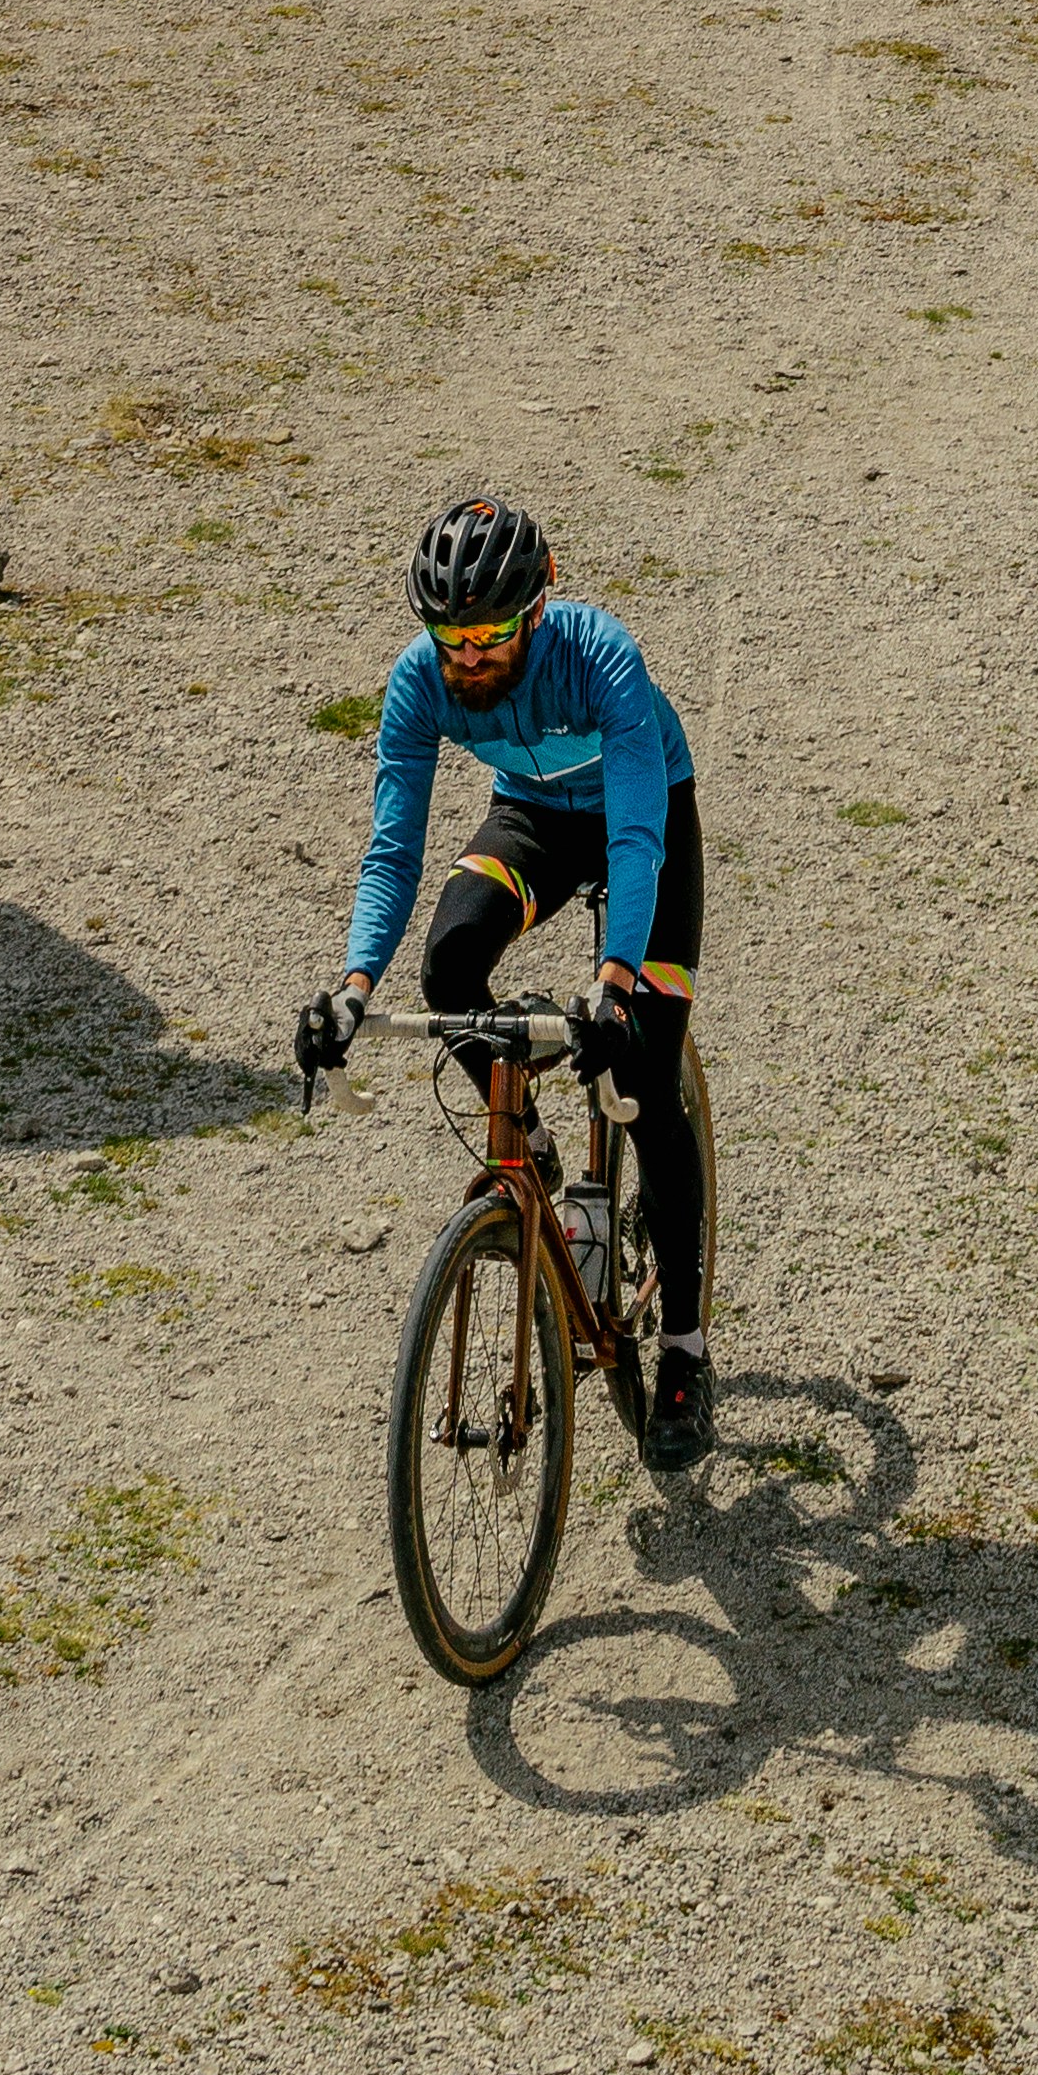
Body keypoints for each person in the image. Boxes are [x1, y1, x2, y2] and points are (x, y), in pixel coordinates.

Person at [295, 496, 715, 1475]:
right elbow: (393, 851)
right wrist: (353, 984)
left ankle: (689, 1348)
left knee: (647, 1069)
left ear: (536, 611)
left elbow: (639, 833)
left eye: (486, 636)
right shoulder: (418, 683)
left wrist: (616, 985)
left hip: (641, 814)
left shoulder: (601, 653)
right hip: (531, 815)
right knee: (449, 967)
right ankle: (529, 1148)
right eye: (449, 637)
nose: (467, 657)